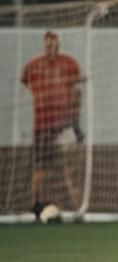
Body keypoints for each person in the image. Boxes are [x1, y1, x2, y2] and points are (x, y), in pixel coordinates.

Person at [20, 30, 85, 221]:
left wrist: (75, 122)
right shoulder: (34, 66)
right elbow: (25, 82)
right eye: (47, 44)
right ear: (44, 45)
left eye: (54, 44)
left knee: (70, 169)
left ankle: (79, 208)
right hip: (42, 124)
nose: (51, 48)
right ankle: (38, 206)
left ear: (59, 44)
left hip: (64, 125)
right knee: (41, 169)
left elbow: (78, 89)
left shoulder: (68, 63)